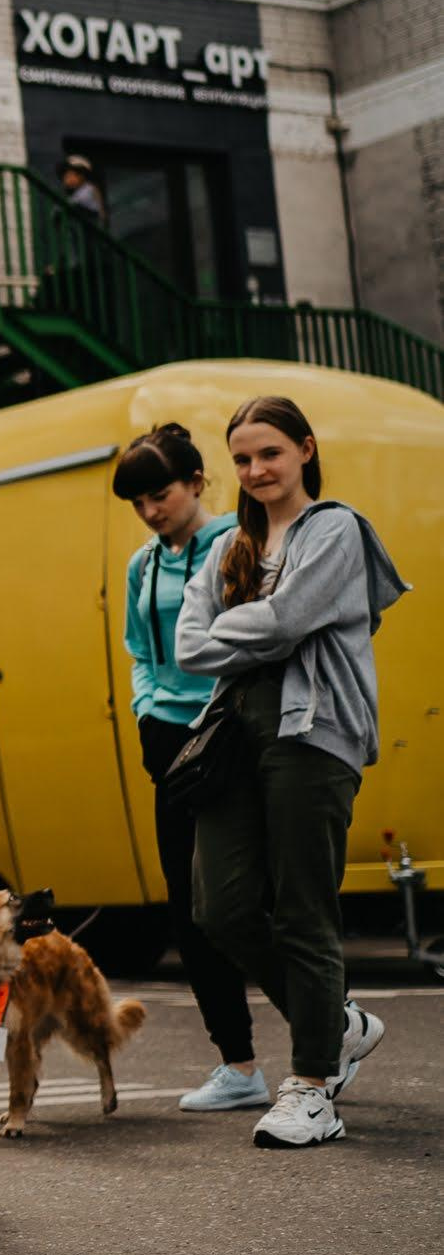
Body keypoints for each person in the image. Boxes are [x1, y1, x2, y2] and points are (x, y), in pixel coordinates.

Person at [178, 396, 409, 1149]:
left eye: (270, 453)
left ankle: (313, 1087)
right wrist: (255, 632)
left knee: (306, 907)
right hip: (235, 734)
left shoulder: (334, 528)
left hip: (314, 730)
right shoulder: (227, 548)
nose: (255, 470)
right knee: (222, 906)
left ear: (306, 449)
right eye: (243, 459)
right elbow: (187, 644)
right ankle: (336, 1022)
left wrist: (238, 631)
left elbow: (284, 622)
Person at [111, 424, 260, 1112]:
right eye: (138, 500)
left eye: (161, 493)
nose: (150, 509)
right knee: (190, 906)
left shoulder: (240, 541)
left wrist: (219, 713)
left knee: (254, 897)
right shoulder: (143, 564)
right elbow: (141, 650)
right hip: (167, 744)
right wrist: (147, 712)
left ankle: (331, 1028)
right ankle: (238, 1062)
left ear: (198, 481)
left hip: (232, 732)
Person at [59, 154, 105, 225]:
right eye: (65, 177)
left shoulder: (89, 189)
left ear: (82, 175)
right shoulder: (71, 195)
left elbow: (81, 203)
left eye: (71, 175)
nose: (68, 180)